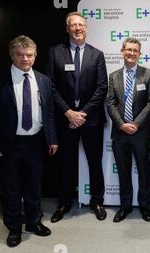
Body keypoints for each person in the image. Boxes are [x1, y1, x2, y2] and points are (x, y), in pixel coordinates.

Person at [0, 35, 58, 247]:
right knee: (10, 189)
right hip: (8, 144)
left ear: (35, 56)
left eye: (29, 55)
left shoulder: (43, 80)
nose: (25, 59)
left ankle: (34, 222)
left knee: (34, 186)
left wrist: (52, 139)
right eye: (20, 55)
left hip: (36, 142)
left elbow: (49, 114)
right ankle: (14, 228)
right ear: (11, 55)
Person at [46, 12, 108, 222]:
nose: (78, 28)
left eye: (81, 25)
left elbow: (102, 88)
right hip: (65, 119)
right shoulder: (55, 53)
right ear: (67, 29)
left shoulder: (97, 55)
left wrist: (82, 113)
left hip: (91, 120)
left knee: (94, 162)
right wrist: (68, 112)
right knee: (65, 163)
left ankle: (97, 201)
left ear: (86, 28)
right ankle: (64, 202)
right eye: (74, 25)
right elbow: (51, 87)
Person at [106, 38, 150, 223]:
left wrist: (136, 123)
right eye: (128, 50)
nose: (131, 53)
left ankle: (145, 206)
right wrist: (121, 124)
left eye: (135, 50)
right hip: (120, 133)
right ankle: (125, 206)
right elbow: (110, 103)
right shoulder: (114, 76)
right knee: (123, 171)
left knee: (144, 170)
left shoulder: (148, 74)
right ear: (122, 51)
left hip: (141, 132)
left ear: (139, 53)